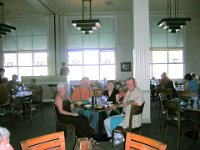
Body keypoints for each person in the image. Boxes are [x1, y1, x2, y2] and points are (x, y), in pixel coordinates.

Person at [104, 77, 144, 144]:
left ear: (135, 83)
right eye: (127, 84)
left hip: (131, 119)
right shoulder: (129, 91)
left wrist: (129, 102)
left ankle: (118, 138)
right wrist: (116, 106)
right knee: (106, 121)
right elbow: (124, 103)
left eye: (131, 84)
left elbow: (139, 103)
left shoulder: (138, 92)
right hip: (123, 115)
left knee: (108, 122)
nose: (129, 86)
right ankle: (113, 137)